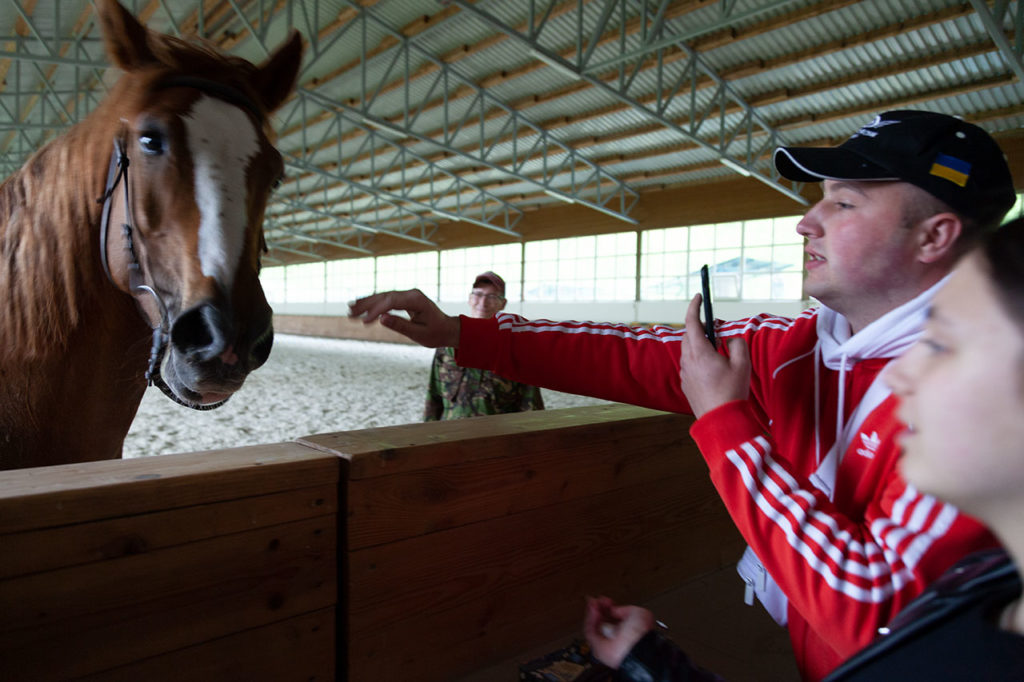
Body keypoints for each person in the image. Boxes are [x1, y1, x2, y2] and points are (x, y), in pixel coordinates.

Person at [349, 110, 1015, 680]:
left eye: (843, 201)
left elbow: (878, 615)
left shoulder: (982, 394)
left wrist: (726, 423)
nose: (804, 223)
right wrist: (466, 333)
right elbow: (630, 353)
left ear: (935, 235)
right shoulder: (796, 344)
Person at [582, 217, 1024, 681]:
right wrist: (649, 661)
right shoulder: (984, 588)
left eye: (945, 346)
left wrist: (723, 421)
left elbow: (867, 614)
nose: (900, 375)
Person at [423, 271, 544, 420]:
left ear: (503, 303)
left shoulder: (515, 347)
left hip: (496, 438)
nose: (483, 302)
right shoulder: (447, 345)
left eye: (492, 296)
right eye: (478, 294)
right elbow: (433, 396)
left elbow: (530, 405)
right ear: (469, 299)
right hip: (451, 435)